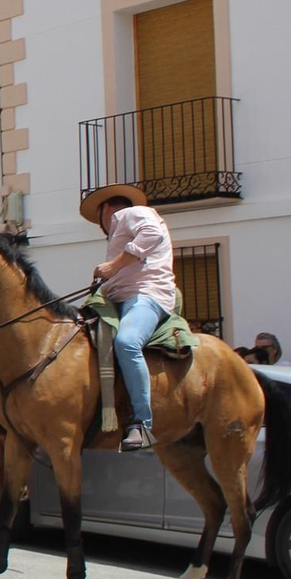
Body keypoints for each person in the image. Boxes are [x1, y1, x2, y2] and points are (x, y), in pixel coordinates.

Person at [82, 183, 174, 452]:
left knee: (127, 342)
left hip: (145, 296)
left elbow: (152, 233)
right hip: (118, 300)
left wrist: (114, 265)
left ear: (106, 209)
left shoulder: (130, 214)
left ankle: (142, 424)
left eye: (97, 216)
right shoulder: (120, 230)